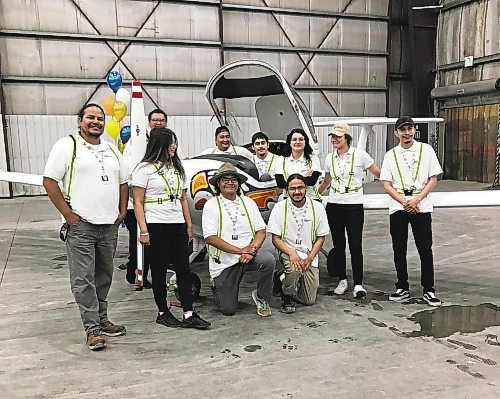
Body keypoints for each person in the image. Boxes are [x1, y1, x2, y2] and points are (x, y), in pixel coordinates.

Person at [43, 103, 128, 351]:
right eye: (90, 117)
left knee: (105, 276)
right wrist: (68, 215)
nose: (96, 122)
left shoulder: (112, 150)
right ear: (79, 120)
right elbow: (49, 181)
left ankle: (101, 319)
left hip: (108, 226)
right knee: (83, 279)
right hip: (81, 226)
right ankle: (91, 329)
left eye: (100, 118)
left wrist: (122, 210)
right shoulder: (67, 145)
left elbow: (123, 181)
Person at [131, 127, 211, 329]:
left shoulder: (177, 169)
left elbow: (183, 198)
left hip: (177, 224)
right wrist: (143, 230)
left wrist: (189, 224)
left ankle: (188, 312)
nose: (175, 146)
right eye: (171, 142)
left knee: (184, 269)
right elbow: (138, 202)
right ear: (160, 145)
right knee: (158, 270)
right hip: (156, 224)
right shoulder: (144, 170)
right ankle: (162, 311)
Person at [380, 116, 443, 307]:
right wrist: (404, 202)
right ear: (396, 133)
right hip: (398, 205)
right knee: (399, 248)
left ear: (414, 130)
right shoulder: (390, 155)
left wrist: (416, 200)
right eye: (402, 129)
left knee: (425, 248)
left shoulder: (427, 150)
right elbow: (386, 184)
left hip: (421, 204)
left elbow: (433, 179)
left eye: (409, 129)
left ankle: (429, 289)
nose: (406, 133)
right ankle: (402, 286)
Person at [202, 162, 275, 317]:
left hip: (248, 255)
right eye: (225, 179)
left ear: (239, 183)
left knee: (268, 260)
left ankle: (261, 297)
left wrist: (252, 249)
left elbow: (261, 230)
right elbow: (210, 238)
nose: (230, 182)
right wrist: (240, 250)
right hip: (225, 262)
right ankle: (217, 285)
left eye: (233, 179)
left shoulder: (248, 202)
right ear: (218, 184)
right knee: (228, 310)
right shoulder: (211, 205)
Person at [318, 122, 381, 299]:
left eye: (338, 136)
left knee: (355, 244)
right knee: (338, 246)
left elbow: (378, 172)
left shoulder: (360, 155)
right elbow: (327, 181)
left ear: (347, 138)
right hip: (334, 204)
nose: (335, 139)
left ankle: (358, 284)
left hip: (353, 205)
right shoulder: (329, 158)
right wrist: (315, 194)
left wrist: (394, 187)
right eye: (333, 137)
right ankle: (342, 279)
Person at [121, 108, 170, 288]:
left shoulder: (168, 140)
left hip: (156, 204)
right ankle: (133, 268)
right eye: (155, 120)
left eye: (162, 120)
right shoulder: (137, 141)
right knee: (138, 240)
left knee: (152, 242)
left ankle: (145, 272)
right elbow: (127, 167)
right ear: (149, 122)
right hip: (136, 203)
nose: (158, 123)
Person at [268, 174, 329, 313]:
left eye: (300, 187)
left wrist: (310, 258)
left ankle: (284, 278)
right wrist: (291, 253)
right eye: (292, 188)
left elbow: (321, 237)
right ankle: (287, 296)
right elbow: (275, 238)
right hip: (288, 251)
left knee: (309, 300)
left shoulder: (317, 207)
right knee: (294, 269)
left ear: (306, 188)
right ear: (287, 191)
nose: (297, 192)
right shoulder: (279, 208)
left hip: (308, 254)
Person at [275, 128, 322, 200]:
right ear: (289, 143)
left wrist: (288, 181)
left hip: (311, 199)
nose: (297, 142)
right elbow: (280, 183)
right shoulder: (281, 160)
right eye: (294, 139)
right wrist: (304, 178)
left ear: (305, 142)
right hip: (288, 199)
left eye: (301, 139)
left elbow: (312, 181)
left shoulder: (313, 159)